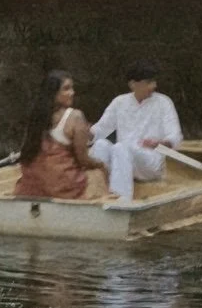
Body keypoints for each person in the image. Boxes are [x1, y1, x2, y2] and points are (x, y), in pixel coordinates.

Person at [89, 60, 183, 202]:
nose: (154, 86)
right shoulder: (119, 102)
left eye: (154, 82)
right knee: (101, 144)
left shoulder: (163, 102)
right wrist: (83, 131)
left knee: (121, 147)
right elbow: (100, 129)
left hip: (150, 162)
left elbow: (175, 136)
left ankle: (121, 200)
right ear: (133, 84)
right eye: (149, 82)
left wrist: (160, 142)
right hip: (122, 161)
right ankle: (95, 193)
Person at [14, 70, 110, 200]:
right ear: (53, 93)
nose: (72, 93)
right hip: (62, 188)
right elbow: (83, 160)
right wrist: (101, 165)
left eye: (72, 88)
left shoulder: (35, 117)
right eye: (66, 89)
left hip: (30, 187)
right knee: (97, 173)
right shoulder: (75, 116)